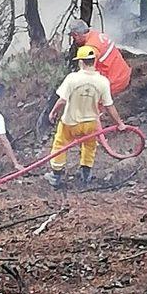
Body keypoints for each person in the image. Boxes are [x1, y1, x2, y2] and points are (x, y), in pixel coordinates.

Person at [44, 45, 127, 188]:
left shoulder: (72, 78)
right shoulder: (102, 81)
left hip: (70, 122)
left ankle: (56, 176)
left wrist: (53, 112)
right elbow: (109, 105)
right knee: (89, 146)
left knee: (60, 144)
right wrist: (119, 123)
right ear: (94, 61)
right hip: (90, 123)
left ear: (81, 62)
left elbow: (62, 100)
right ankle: (86, 174)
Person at [69, 19, 131, 95]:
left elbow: (88, 73)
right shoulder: (97, 35)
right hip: (124, 74)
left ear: (76, 34)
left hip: (114, 82)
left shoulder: (91, 48)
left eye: (74, 37)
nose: (74, 41)